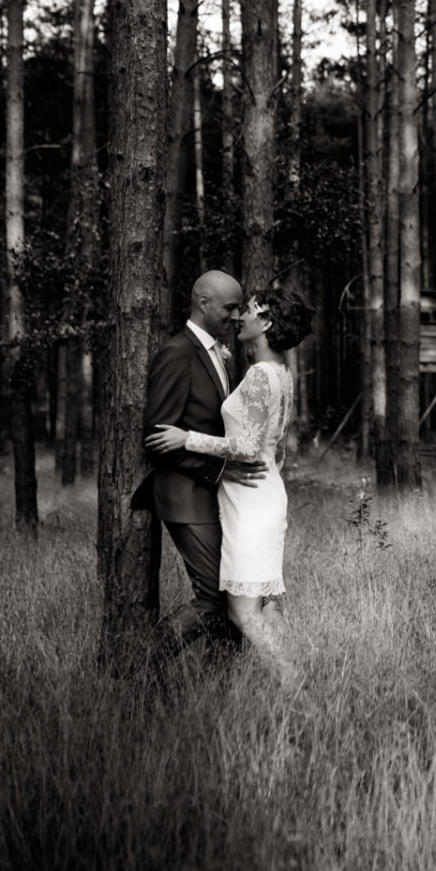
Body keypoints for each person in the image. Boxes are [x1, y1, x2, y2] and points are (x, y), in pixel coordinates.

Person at [147, 287, 314, 684]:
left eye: (250, 311)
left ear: (267, 323)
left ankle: (296, 686)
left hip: (252, 503)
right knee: (263, 602)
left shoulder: (259, 375)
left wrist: (187, 438)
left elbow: (249, 447)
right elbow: (275, 450)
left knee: (242, 612)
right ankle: (295, 682)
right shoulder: (281, 373)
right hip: (264, 493)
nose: (241, 317)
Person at [134, 270, 266, 655]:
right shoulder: (177, 353)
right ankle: (139, 664)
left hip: (209, 494)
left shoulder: (215, 353)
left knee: (230, 594)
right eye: (230, 307)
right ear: (203, 303)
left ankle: (219, 678)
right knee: (214, 597)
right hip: (184, 495)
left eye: (240, 308)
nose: (236, 315)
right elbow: (157, 437)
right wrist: (219, 470)